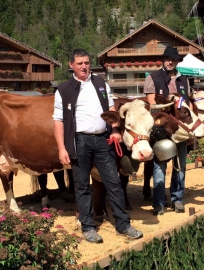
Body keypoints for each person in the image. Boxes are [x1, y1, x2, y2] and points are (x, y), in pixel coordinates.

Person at [53, 48, 142, 243]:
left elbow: (111, 108)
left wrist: (116, 129)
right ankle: (88, 227)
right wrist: (61, 147)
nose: (84, 66)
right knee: (82, 185)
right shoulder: (63, 90)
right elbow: (58, 120)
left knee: (114, 182)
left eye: (86, 62)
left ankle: (123, 225)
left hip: (103, 139)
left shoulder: (101, 83)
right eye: (80, 63)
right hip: (79, 141)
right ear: (71, 65)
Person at [144, 46, 191, 215]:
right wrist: (170, 101)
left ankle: (177, 199)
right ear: (163, 60)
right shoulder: (152, 78)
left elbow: (188, 105)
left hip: (181, 130)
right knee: (159, 168)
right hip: (161, 129)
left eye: (174, 59)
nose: (170, 62)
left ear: (177, 61)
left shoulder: (184, 79)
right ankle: (158, 203)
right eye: (167, 59)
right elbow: (152, 105)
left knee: (181, 166)